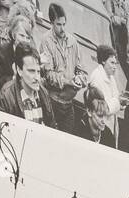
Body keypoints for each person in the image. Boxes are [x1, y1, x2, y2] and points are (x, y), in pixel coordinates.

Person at [39, 3, 91, 136]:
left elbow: (81, 69)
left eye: (64, 24)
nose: (62, 28)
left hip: (68, 104)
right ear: (51, 22)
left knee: (67, 138)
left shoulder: (73, 41)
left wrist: (81, 79)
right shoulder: (46, 41)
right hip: (52, 102)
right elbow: (49, 75)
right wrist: (68, 82)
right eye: (58, 24)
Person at [0, 41, 56, 125]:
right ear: (19, 70)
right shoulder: (6, 95)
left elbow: (52, 127)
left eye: (38, 72)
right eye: (31, 71)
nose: (37, 78)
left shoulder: (44, 93)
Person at [89, 44, 125, 148]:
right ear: (103, 61)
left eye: (116, 63)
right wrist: (118, 102)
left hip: (110, 126)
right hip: (101, 127)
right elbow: (100, 108)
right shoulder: (96, 78)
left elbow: (116, 98)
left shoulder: (110, 77)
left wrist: (121, 103)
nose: (115, 66)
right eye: (112, 63)